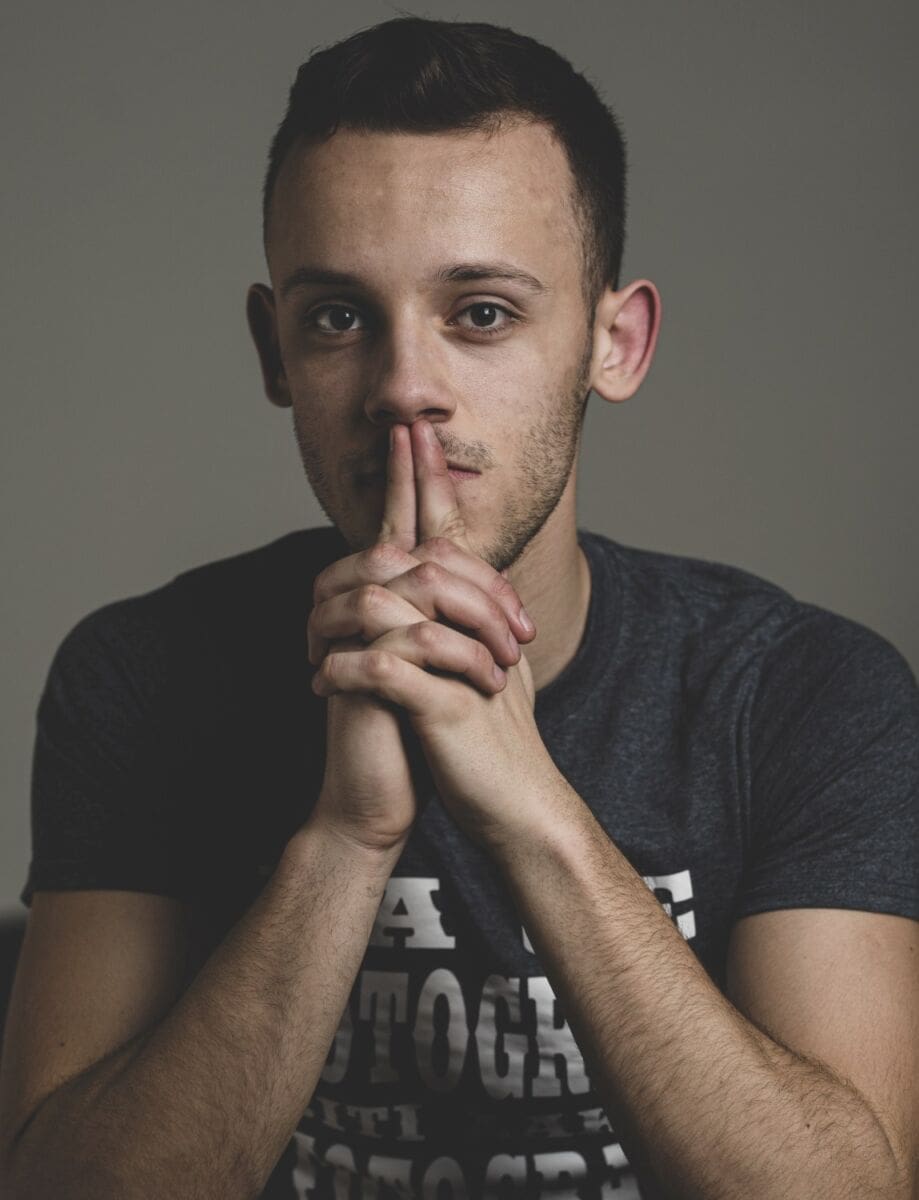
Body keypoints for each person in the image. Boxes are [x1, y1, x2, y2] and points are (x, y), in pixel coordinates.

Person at [0, 15, 916, 1200]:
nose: (404, 390)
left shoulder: (805, 693)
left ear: (615, 342)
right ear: (274, 351)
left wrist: (535, 814)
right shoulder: (142, 677)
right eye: (337, 317)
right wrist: (346, 841)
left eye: (481, 312)